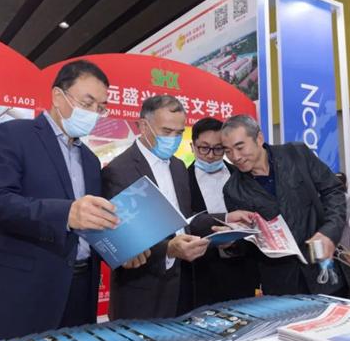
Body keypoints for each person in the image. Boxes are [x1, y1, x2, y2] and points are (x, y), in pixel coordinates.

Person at [0, 60, 123, 341]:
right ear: (58, 96)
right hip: (26, 291)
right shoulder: (15, 135)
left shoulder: (90, 160)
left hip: (81, 290)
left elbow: (92, 224)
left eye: (100, 107)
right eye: (87, 103)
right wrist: (66, 214)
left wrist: (125, 249)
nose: (93, 113)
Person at [101, 96, 251, 320]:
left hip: (184, 285)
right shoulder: (119, 170)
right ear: (144, 126)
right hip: (142, 292)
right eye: (166, 131)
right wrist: (168, 249)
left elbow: (185, 219)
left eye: (179, 132)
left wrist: (226, 218)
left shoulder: (178, 166)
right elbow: (120, 240)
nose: (172, 139)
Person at [220, 115, 350, 299]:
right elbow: (247, 244)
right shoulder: (232, 190)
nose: (235, 157)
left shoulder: (296, 154)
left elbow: (333, 190)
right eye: (228, 151)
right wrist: (231, 243)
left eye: (240, 147)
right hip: (281, 282)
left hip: (323, 267)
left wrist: (330, 231)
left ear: (259, 138)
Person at [178, 118, 259, 314]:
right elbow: (183, 221)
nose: (210, 156)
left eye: (218, 149)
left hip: (241, 268)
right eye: (204, 148)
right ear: (192, 146)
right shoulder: (181, 181)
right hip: (201, 271)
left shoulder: (243, 176)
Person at [335, 172, 350, 266]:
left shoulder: (325, 197)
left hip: (330, 233)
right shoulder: (346, 197)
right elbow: (345, 217)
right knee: (348, 263)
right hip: (343, 234)